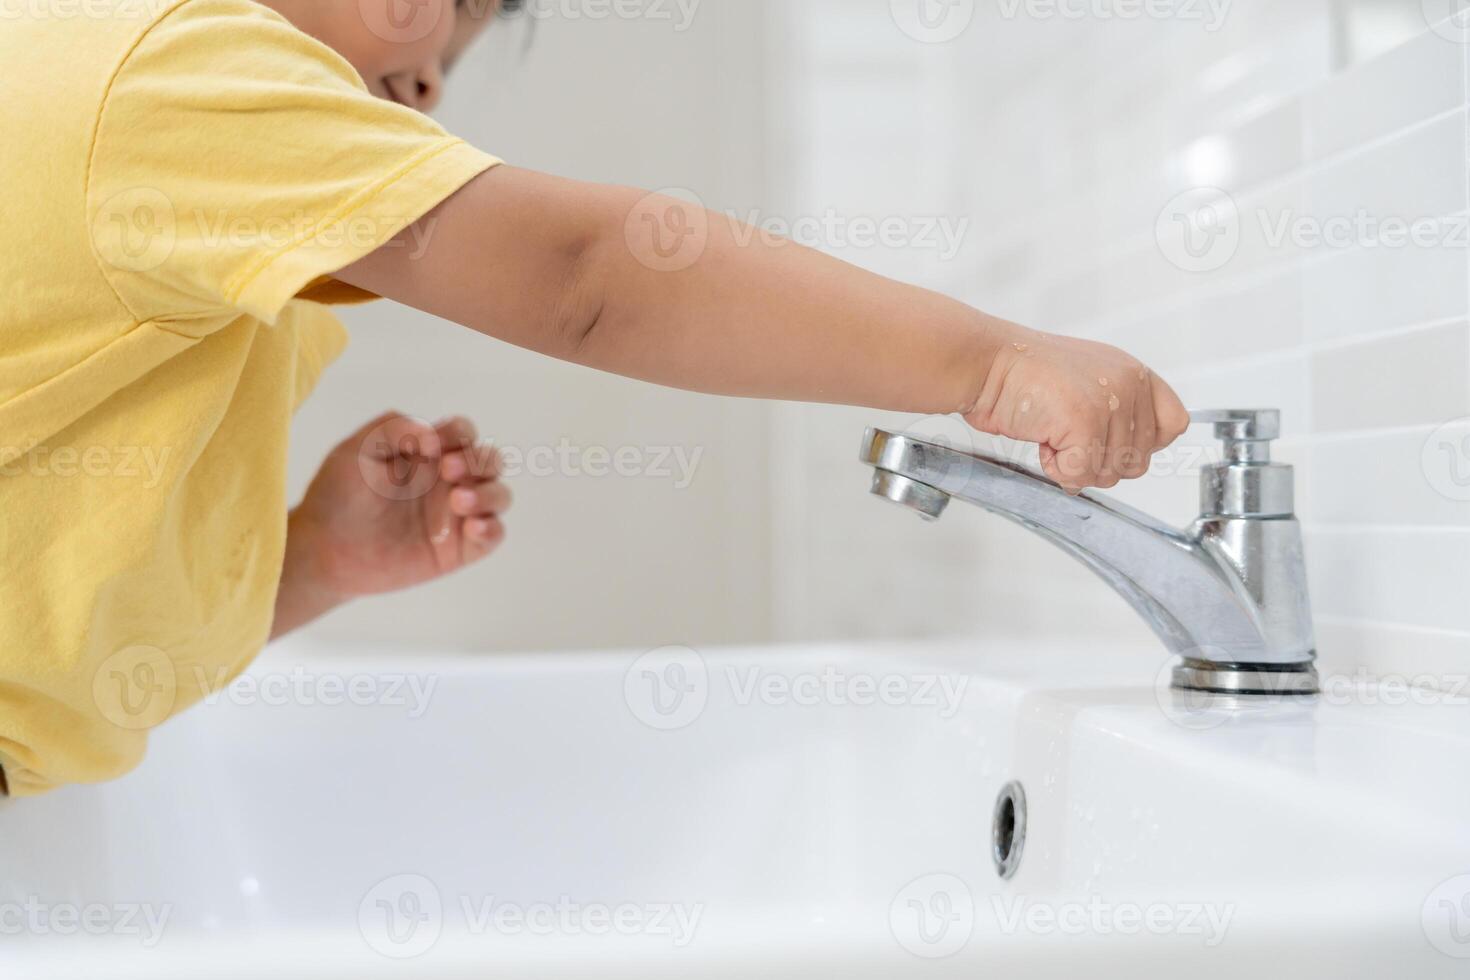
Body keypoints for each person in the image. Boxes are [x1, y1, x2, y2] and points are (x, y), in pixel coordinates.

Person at [0, 0, 1188, 796]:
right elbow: (588, 278)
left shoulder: (163, 148)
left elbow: (58, 645)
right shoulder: (159, 69)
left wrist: (310, 560)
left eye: (446, 71)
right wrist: (989, 362)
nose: (420, 81)